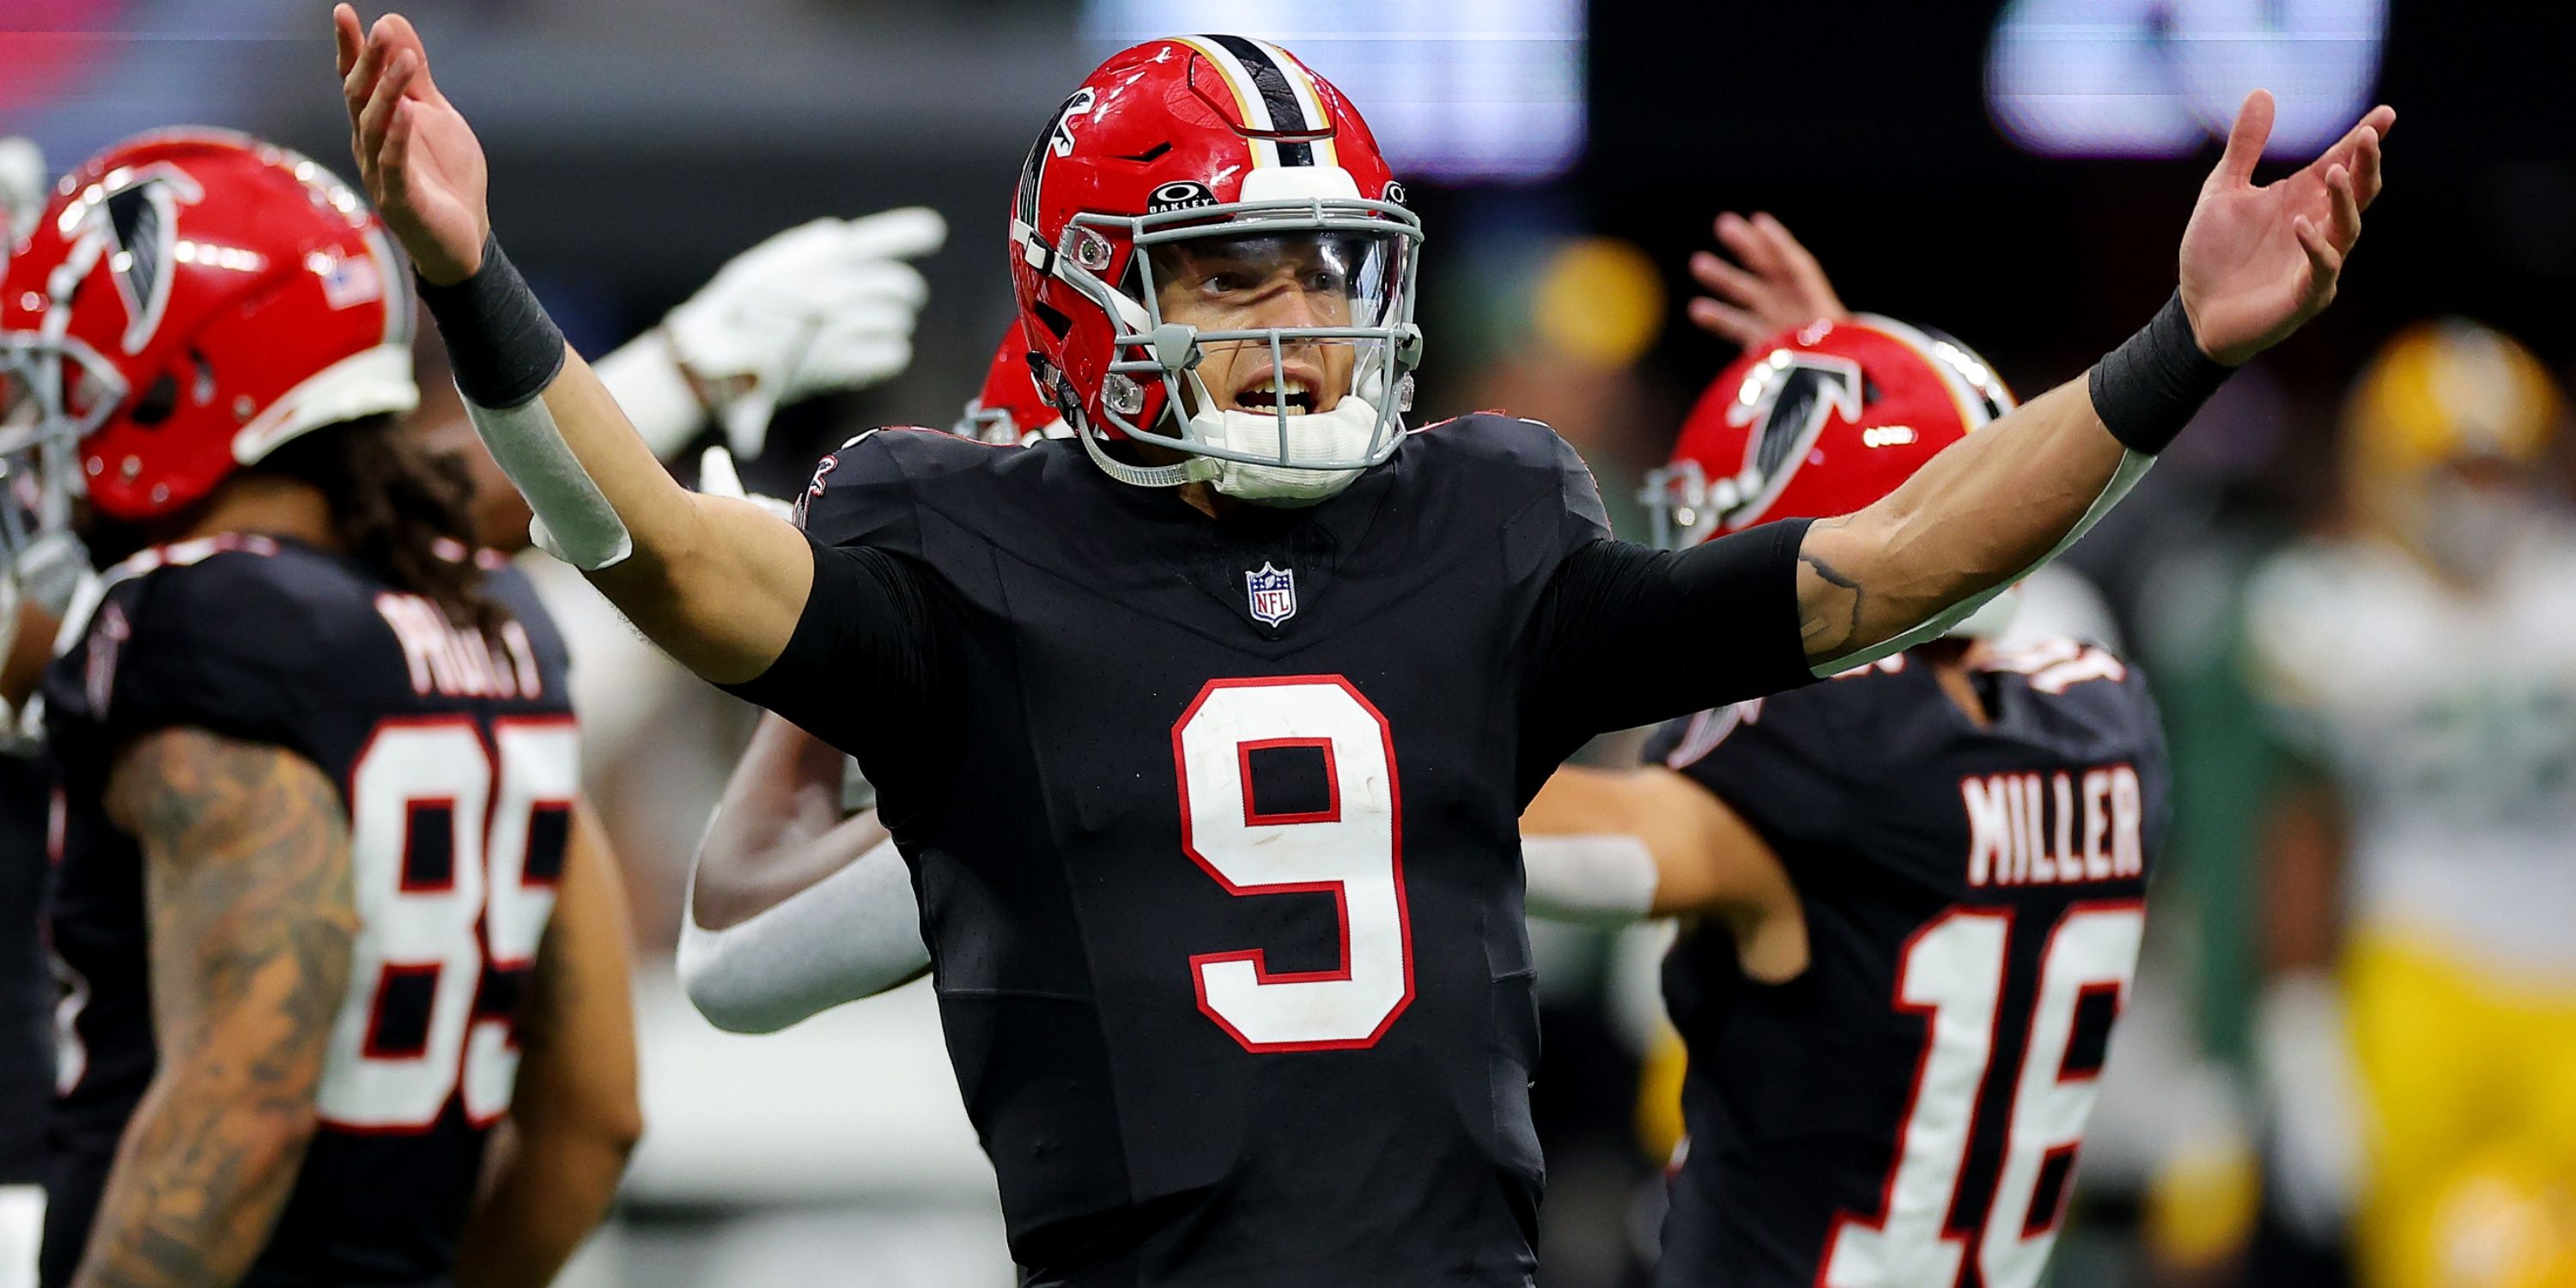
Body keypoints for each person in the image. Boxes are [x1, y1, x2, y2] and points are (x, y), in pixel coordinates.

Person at [337, 8, 2386, 1282]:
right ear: (1080, 298)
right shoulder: (964, 532)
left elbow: (1881, 569)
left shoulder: (1481, 520)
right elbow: (667, 557)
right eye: (1230, 278)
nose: (1300, 328)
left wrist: (2174, 354)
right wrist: (480, 283)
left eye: (1327, 274)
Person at [0, 130, 640, 1288]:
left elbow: (242, 1108)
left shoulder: (193, 625)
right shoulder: (495, 614)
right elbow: (591, 1119)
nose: (46, 427)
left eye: (68, 379)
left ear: (185, 371)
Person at [1517, 271, 2170, 1286]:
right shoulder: (2102, 714)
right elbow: (1947, 563)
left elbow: (1551, 837)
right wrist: (1881, 390)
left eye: (1736, 516)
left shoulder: (1824, 754)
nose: (1706, 554)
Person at [2245, 320, 2576, 1288]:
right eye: (2453, 470)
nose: (2479, 500)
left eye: (2497, 470)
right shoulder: (2329, 611)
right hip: (2416, 967)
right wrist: (2298, 1027)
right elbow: (2303, 827)